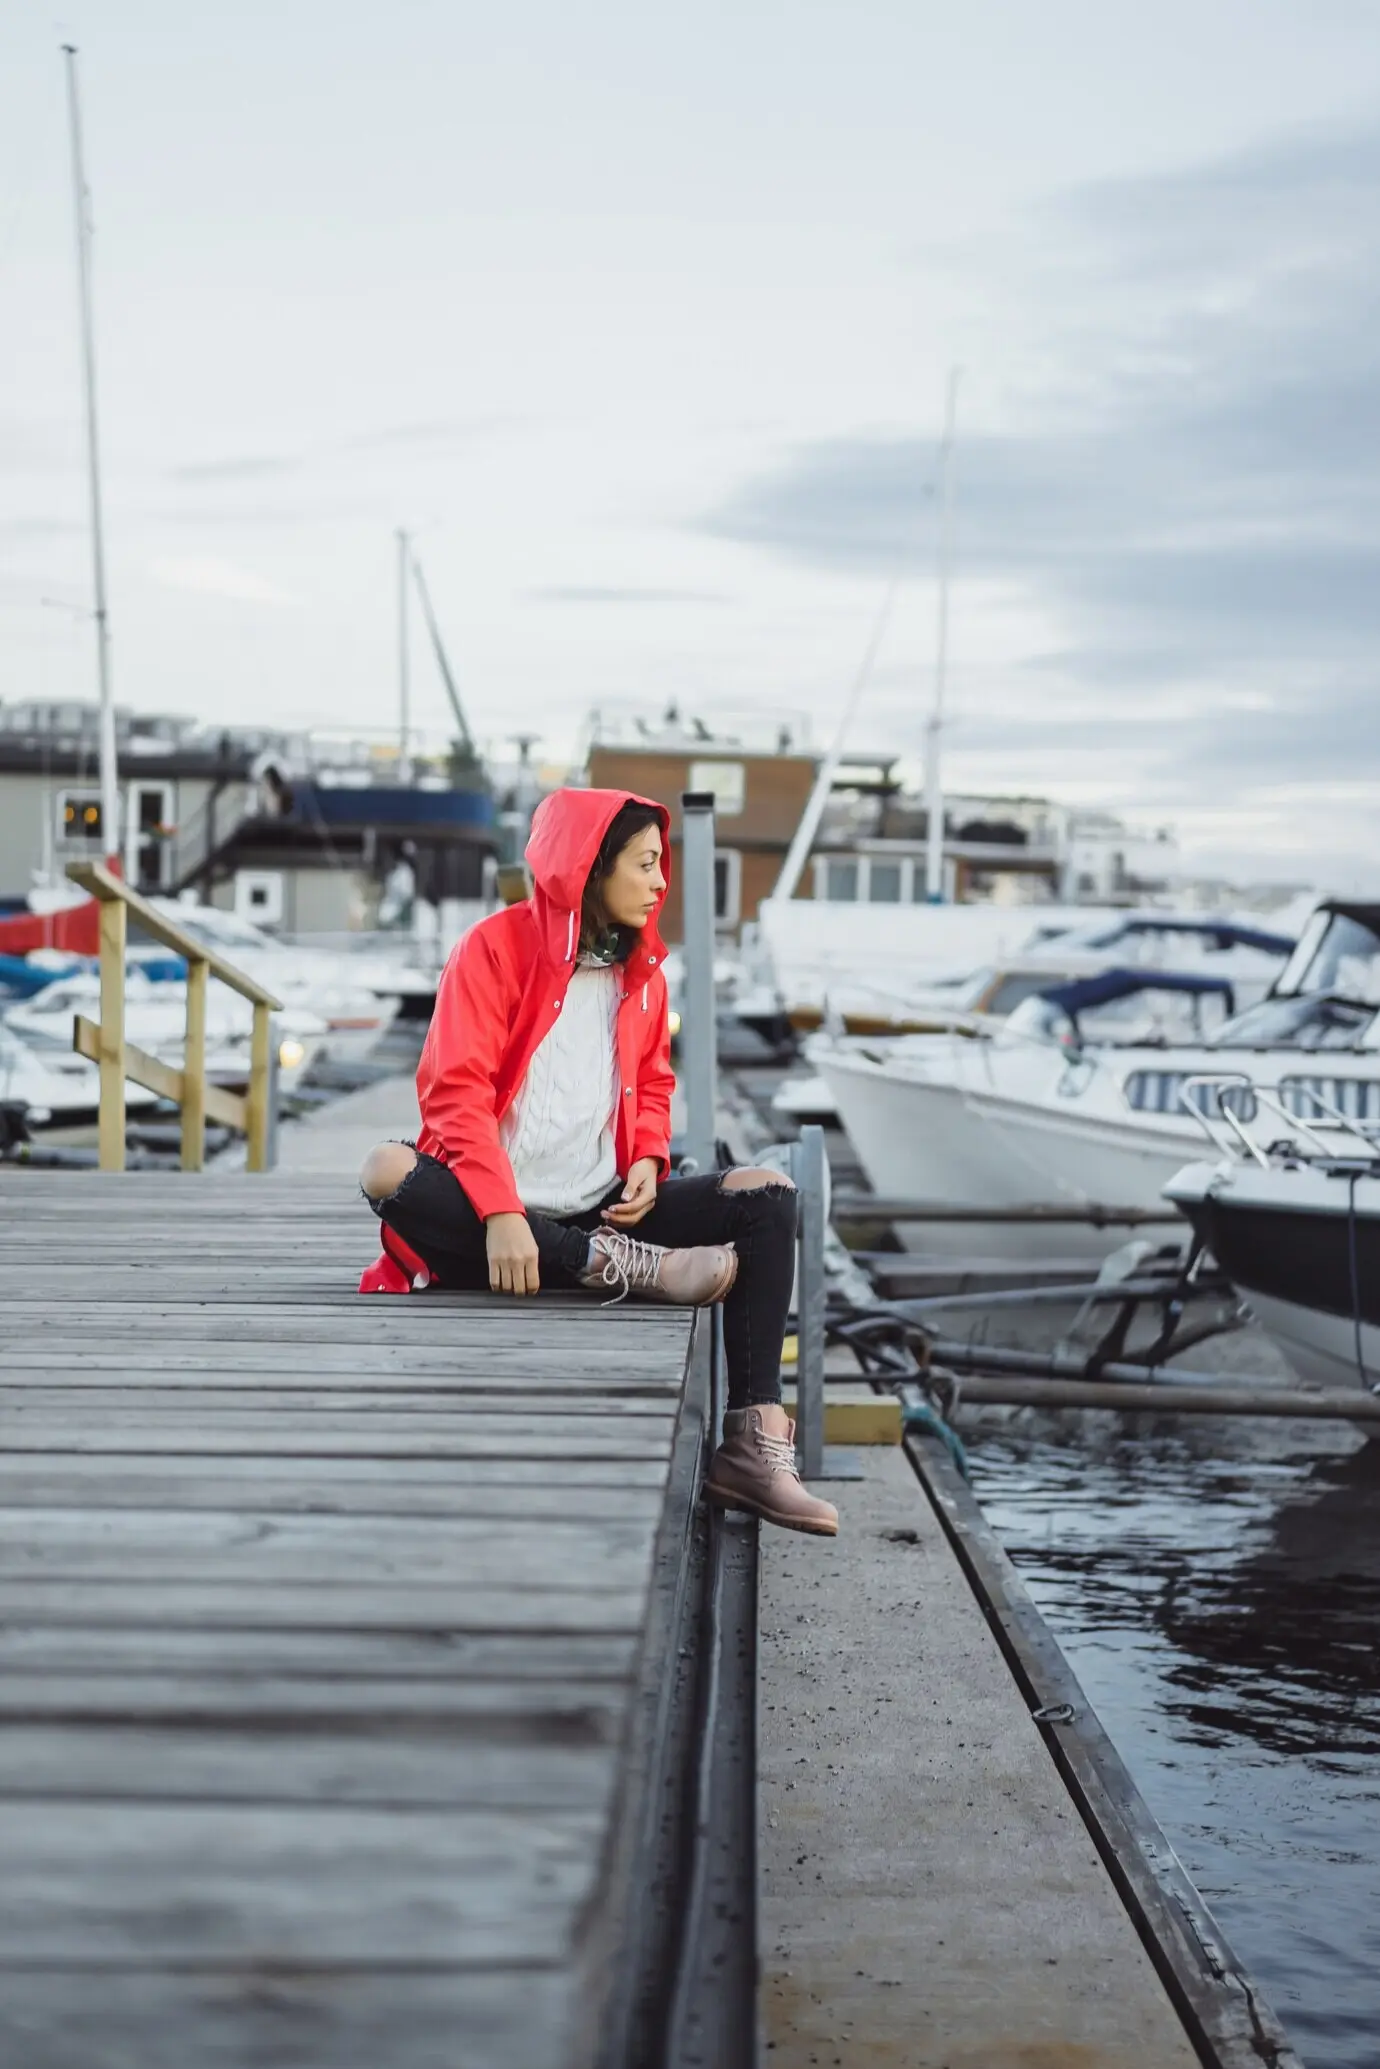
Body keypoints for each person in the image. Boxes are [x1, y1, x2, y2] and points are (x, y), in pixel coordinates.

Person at [358, 786, 838, 1537]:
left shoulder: (642, 972)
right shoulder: (493, 948)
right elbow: (454, 1094)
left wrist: (649, 1154)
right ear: (589, 863)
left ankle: (750, 1444)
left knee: (768, 1194)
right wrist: (504, 1210)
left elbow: (652, 1081)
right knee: (386, 1170)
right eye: (645, 864)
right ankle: (616, 1266)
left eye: (662, 866)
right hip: (489, 1218)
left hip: (602, 1200)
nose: (659, 884)